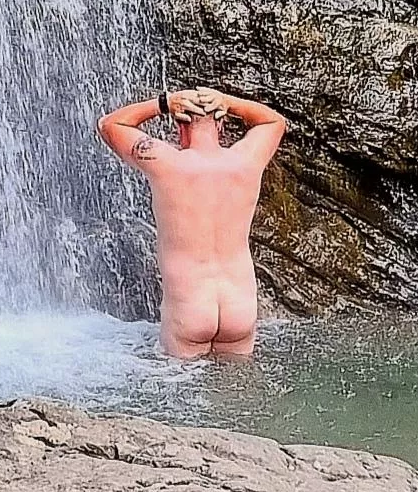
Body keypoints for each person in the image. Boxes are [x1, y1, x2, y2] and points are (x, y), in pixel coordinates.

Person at [97, 84, 288, 362]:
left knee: (182, 391)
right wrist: (227, 101)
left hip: (190, 311)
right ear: (222, 124)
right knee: (236, 392)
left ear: (179, 127)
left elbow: (109, 124)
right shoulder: (247, 160)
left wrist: (164, 103)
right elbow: (274, 121)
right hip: (240, 309)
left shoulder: (165, 162)